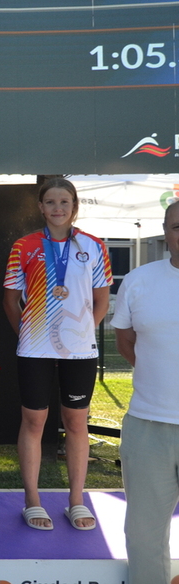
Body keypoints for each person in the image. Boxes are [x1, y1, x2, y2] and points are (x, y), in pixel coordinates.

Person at [3, 177, 111, 530]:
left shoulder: (95, 246)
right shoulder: (24, 246)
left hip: (79, 351)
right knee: (34, 422)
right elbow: (9, 299)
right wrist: (29, 335)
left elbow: (101, 300)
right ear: (40, 207)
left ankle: (76, 500)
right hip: (34, 348)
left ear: (74, 206)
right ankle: (32, 500)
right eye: (50, 202)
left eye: (64, 202)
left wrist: (82, 333)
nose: (57, 208)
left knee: (76, 422)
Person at [112, 201, 179, 584]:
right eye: (176, 226)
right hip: (147, 427)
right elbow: (125, 342)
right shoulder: (139, 280)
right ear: (165, 232)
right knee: (144, 538)